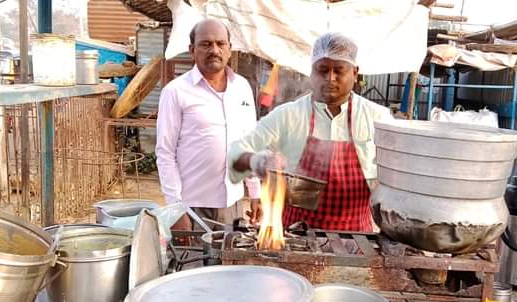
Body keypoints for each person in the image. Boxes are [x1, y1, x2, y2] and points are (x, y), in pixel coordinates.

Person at [228, 33, 394, 232]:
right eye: (322, 70)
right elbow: (235, 153)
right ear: (312, 71)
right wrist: (258, 162)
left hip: (357, 237)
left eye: (338, 71)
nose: (330, 78)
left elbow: (401, 172)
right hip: (296, 237)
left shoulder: (378, 118)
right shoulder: (288, 115)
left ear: (355, 72)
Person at [155, 19, 261, 229]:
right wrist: (175, 209)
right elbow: (165, 152)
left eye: (221, 44)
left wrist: (256, 192)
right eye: (206, 44)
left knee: (230, 260)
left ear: (229, 49)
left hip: (234, 205)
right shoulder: (175, 91)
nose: (214, 50)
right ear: (192, 50)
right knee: (193, 261)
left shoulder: (242, 87)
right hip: (193, 207)